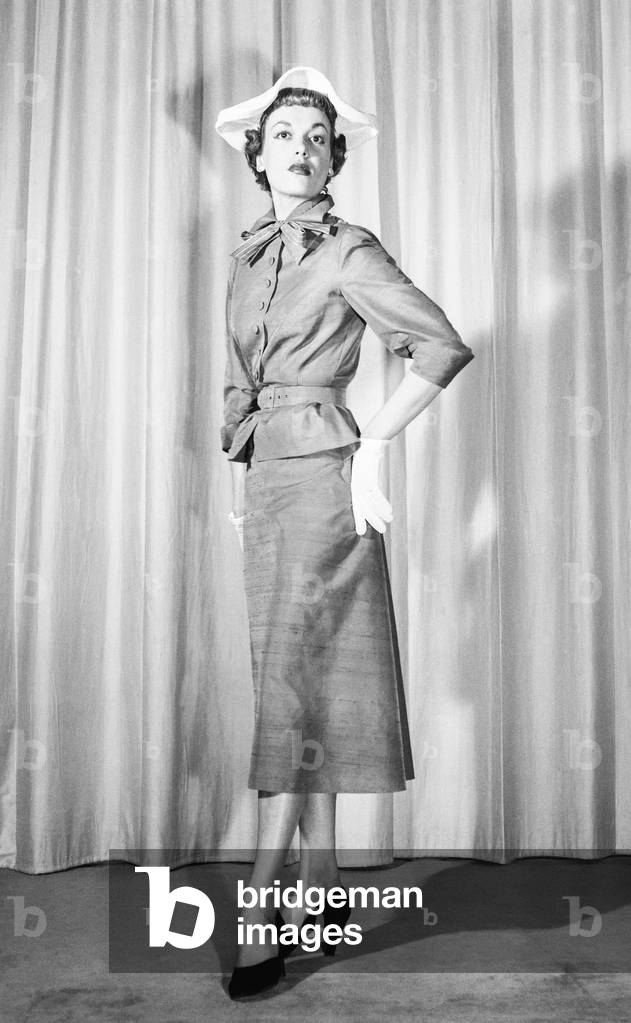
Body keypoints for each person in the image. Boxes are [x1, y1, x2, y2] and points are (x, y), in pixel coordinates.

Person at [215, 66, 474, 998]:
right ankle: (319, 897)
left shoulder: (348, 247)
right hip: (271, 484)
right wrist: (241, 472)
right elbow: (245, 384)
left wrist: (370, 446)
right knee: (300, 693)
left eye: (315, 136)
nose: (299, 146)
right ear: (259, 154)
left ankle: (260, 909)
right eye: (283, 132)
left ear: (332, 158)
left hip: (328, 482)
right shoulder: (248, 254)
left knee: (292, 693)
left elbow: (439, 344)